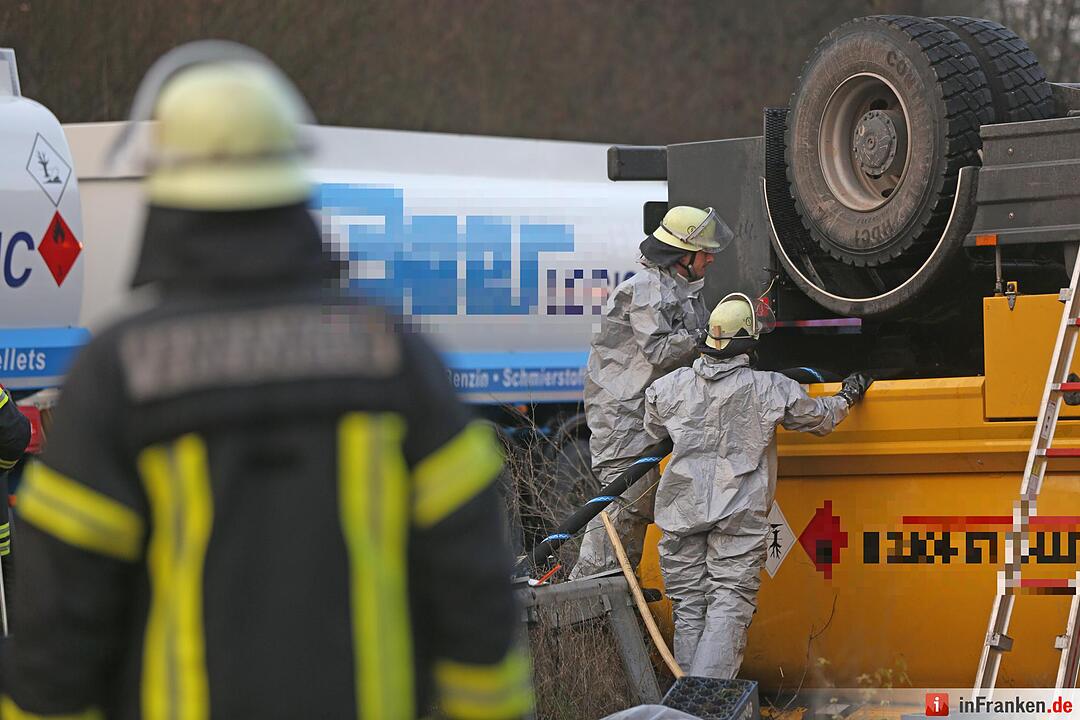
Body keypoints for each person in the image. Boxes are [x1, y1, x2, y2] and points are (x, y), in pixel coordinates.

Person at [0, 43, 531, 720]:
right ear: (294, 181)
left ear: (163, 189)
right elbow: (475, 597)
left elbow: (60, 629)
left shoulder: (117, 373)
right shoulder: (396, 358)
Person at [643, 292, 871, 678]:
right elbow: (820, 418)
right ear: (749, 342)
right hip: (737, 518)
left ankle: (683, 705)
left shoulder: (668, 388)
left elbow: (652, 426)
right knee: (729, 603)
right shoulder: (771, 388)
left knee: (689, 608)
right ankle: (703, 707)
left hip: (680, 514)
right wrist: (848, 395)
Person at [570, 205, 733, 580]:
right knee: (624, 504)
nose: (710, 259)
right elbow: (661, 350)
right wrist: (708, 339)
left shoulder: (681, 290)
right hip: (624, 419)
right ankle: (586, 599)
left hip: (647, 415)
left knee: (636, 504)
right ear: (681, 255)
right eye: (704, 251)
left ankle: (613, 596)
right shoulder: (645, 290)